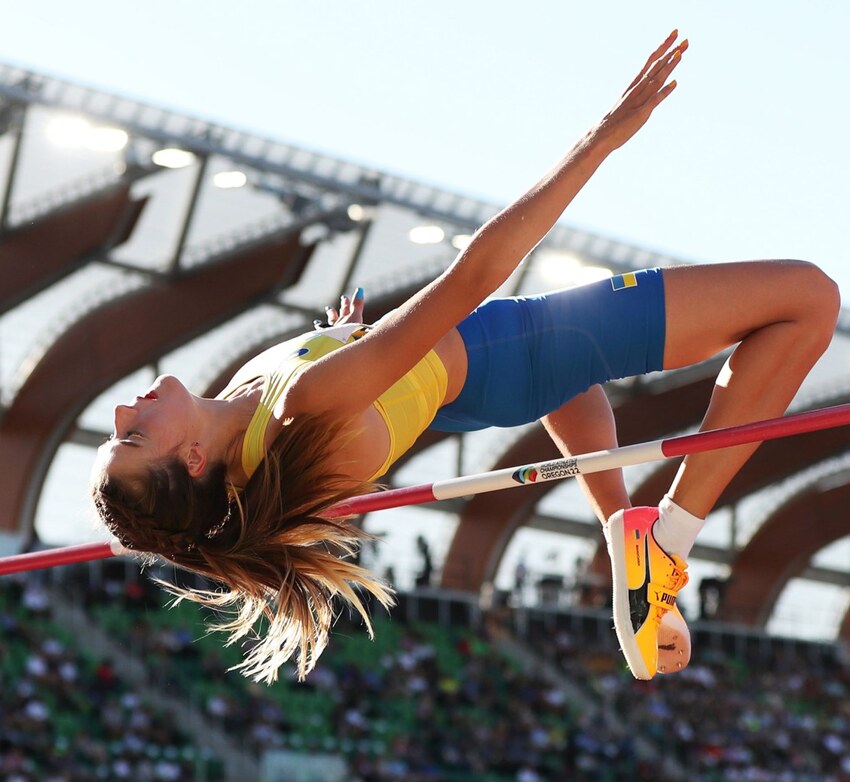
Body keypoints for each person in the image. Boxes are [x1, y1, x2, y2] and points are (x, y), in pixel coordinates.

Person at [90, 31, 840, 684]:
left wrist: (349, 341)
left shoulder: (251, 428)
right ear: (191, 460)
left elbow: (325, 426)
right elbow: (476, 273)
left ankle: (628, 544)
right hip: (516, 348)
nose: (124, 409)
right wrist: (600, 141)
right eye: (132, 436)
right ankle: (671, 535)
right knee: (807, 298)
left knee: (586, 371)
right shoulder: (299, 406)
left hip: (485, 381)